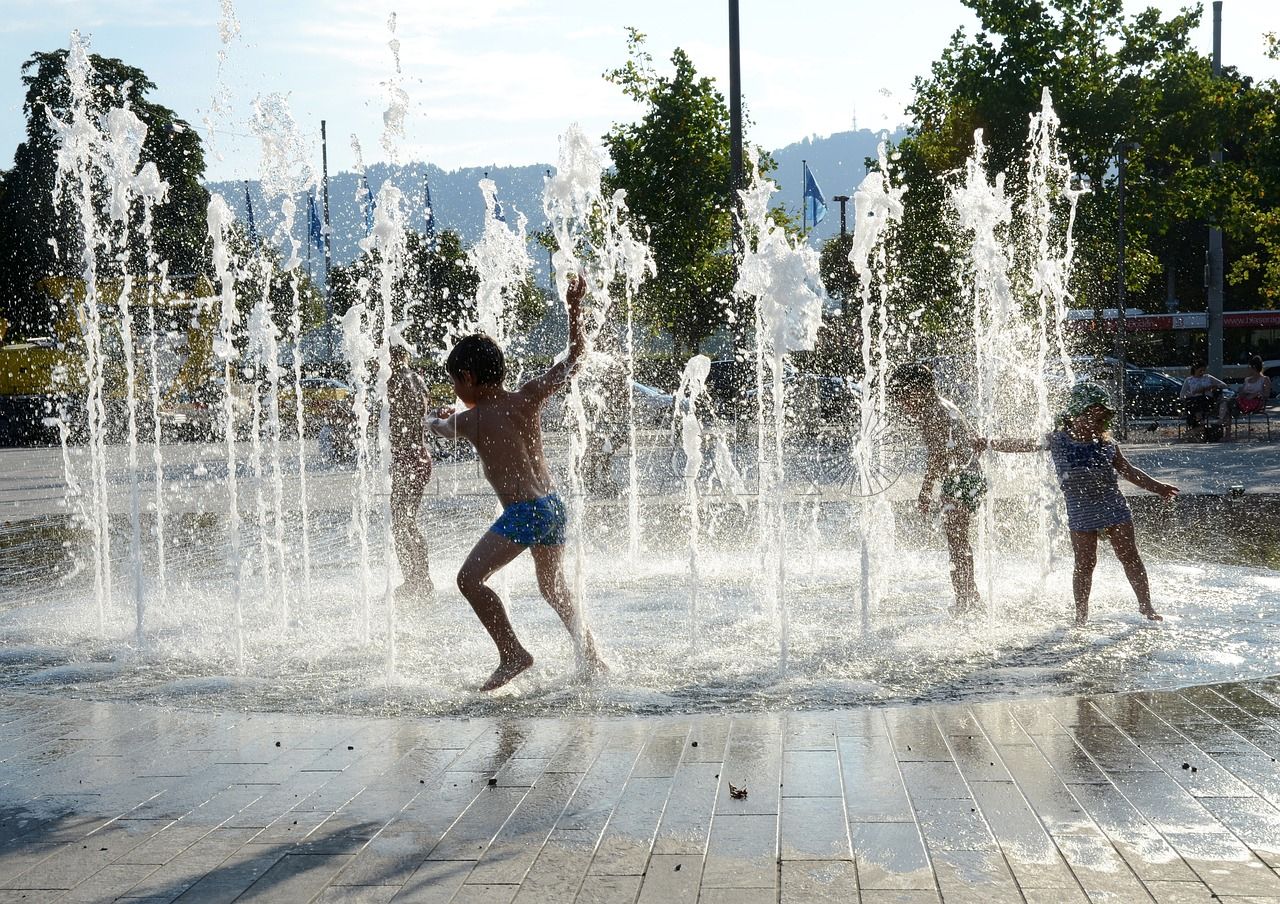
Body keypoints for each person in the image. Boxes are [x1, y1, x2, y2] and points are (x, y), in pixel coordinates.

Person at [426, 273, 605, 691]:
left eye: (455, 381)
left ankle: (512, 654)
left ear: (468, 377)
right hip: (554, 506)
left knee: (469, 580)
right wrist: (574, 309)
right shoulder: (528, 396)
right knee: (553, 588)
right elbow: (577, 358)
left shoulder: (471, 419)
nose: (455, 389)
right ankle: (592, 659)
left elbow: (442, 427)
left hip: (525, 513)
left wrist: (430, 417)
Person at [980, 383, 1178, 625]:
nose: (1095, 424)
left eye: (1100, 419)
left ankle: (1146, 606)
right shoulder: (1057, 440)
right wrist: (989, 443)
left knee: (1129, 556)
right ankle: (1081, 615)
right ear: (1074, 414)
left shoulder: (1106, 444)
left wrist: (1159, 488)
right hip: (1081, 511)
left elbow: (1129, 471)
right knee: (1085, 563)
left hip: (1113, 506)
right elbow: (1023, 444)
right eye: (1090, 417)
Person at [887, 363, 986, 615]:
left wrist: (925, 491)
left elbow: (937, 455)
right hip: (969, 476)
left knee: (956, 543)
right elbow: (969, 436)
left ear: (917, 390)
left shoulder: (932, 412)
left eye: (902, 396)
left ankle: (965, 598)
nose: (901, 404)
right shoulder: (944, 404)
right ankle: (969, 593)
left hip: (960, 480)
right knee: (959, 541)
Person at [389, 345, 434, 599]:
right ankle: (421, 577)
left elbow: (391, 421)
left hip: (406, 460)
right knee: (407, 521)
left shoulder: (394, 382)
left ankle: (415, 580)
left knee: (401, 523)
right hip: (419, 456)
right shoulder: (418, 380)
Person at [1179, 361, 1231, 441]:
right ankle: (1197, 423)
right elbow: (1182, 395)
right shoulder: (1189, 380)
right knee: (1192, 402)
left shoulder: (1208, 377)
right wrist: (1194, 393)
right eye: (1200, 371)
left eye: (1203, 371)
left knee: (1199, 401)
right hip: (1194, 399)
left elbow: (1224, 385)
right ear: (1195, 369)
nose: (1202, 373)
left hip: (1206, 400)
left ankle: (1199, 422)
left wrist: (1212, 387)